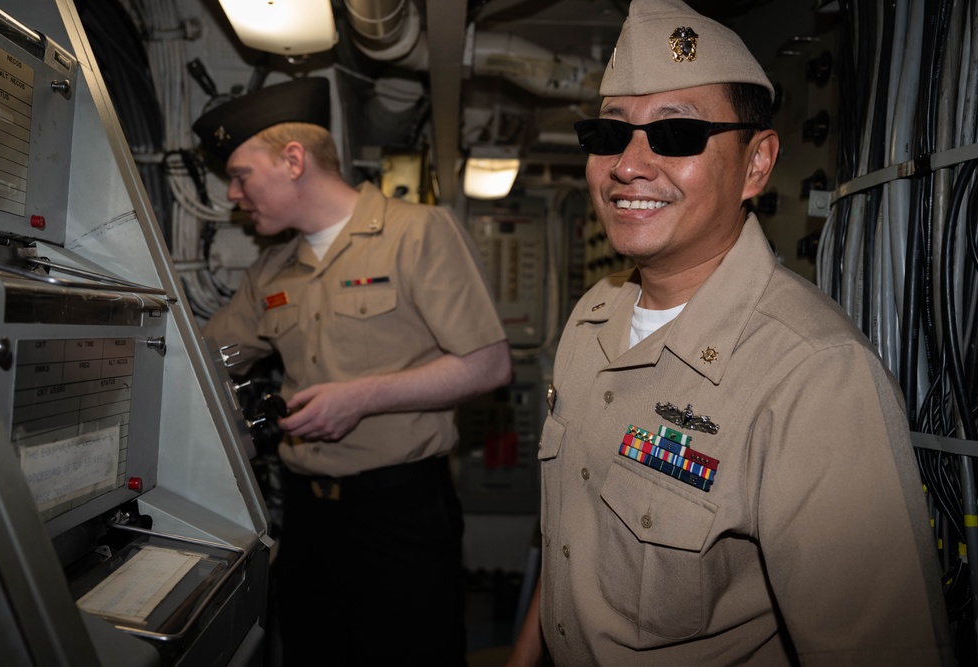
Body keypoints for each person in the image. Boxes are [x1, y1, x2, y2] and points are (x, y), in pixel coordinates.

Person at [507, 1, 953, 665]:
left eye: (676, 135)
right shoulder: (591, 319)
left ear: (757, 163)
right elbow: (572, 542)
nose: (628, 165)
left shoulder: (813, 378)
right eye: (611, 133)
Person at [192, 77, 512, 666]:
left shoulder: (416, 232)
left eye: (241, 175)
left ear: (293, 161)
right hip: (308, 516)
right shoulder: (272, 271)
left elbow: (487, 364)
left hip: (399, 513)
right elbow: (206, 361)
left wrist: (362, 397)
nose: (235, 195)